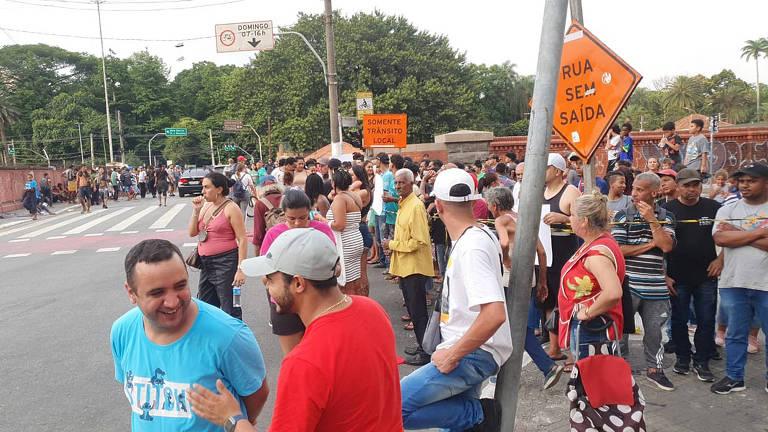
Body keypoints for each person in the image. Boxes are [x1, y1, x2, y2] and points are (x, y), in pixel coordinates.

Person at [191, 229, 403, 431]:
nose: (265, 284)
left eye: (272, 278)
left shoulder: (304, 361)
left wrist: (231, 418)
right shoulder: (372, 310)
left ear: (299, 283)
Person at [111, 239, 268, 431]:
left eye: (180, 286)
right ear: (131, 292)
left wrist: (235, 424)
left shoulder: (229, 336)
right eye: (157, 293)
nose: (172, 302)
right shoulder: (122, 331)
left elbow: (256, 395)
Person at [400, 168, 511, 431]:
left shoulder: (472, 246)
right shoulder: (476, 236)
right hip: (468, 348)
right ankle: (471, 417)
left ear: (437, 205)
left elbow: (494, 313)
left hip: (470, 353)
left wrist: (453, 354)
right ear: (474, 202)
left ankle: (477, 414)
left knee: (393, 405)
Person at [487, 186, 563, 389]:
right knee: (517, 325)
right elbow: (542, 251)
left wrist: (505, 259)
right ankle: (510, 369)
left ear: (495, 206)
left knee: (509, 326)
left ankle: (545, 366)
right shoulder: (522, 217)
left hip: (509, 279)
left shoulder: (501, 220)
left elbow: (503, 243)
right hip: (529, 276)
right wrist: (542, 281)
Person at [612, 172, 677, 391]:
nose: (634, 193)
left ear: (654, 193)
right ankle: (618, 373)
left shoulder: (666, 216)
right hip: (628, 285)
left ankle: (655, 370)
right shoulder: (622, 216)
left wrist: (651, 220)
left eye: (640, 189)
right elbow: (619, 251)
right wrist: (651, 245)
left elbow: (667, 246)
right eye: (634, 188)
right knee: (620, 334)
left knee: (655, 333)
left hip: (657, 288)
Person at [710, 163, 768, 395]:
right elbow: (721, 238)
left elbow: (730, 236)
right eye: (741, 181)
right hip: (734, 282)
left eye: (751, 180)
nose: (744, 185)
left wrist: (738, 233)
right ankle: (735, 377)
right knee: (735, 332)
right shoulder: (729, 208)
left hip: (765, 283)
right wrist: (759, 233)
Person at [662, 168, 722, 383]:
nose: (691, 189)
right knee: (679, 320)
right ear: (678, 186)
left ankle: (702, 360)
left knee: (706, 320)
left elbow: (727, 233)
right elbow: (658, 246)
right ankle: (683, 357)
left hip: (706, 275)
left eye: (695, 185)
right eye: (686, 185)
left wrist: (720, 259)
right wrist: (664, 274)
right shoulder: (666, 209)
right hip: (677, 277)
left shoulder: (714, 208)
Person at [259, 189, 335, 356]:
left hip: (318, 302)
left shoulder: (322, 231)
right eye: (291, 219)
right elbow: (265, 275)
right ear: (284, 214)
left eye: (303, 218)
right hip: (285, 301)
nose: (297, 224)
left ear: (310, 211)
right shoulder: (274, 234)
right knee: (294, 357)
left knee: (321, 354)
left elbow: (335, 268)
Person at [559, 191, 626, 360]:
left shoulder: (597, 254)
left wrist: (587, 313)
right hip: (592, 324)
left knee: (590, 379)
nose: (570, 219)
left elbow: (613, 293)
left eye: (572, 215)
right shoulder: (597, 241)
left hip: (593, 326)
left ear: (584, 221)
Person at [381, 168, 435, 366]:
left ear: (411, 183)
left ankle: (426, 351)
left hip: (415, 268)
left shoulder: (416, 206)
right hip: (405, 267)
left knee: (419, 313)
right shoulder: (404, 204)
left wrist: (392, 245)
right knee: (413, 311)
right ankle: (423, 346)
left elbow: (419, 242)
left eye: (401, 183)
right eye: (396, 183)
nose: (397, 186)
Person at [189, 172, 248, 320]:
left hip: (226, 263)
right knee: (206, 306)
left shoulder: (231, 208)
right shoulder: (206, 206)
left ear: (219, 189)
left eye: (207, 187)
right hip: (206, 263)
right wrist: (196, 211)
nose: (203, 191)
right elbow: (192, 232)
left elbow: (242, 239)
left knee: (230, 307)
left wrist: (240, 269)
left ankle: (236, 339)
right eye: (203, 187)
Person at [541, 153, 581, 360]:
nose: (541, 171)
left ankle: (574, 353)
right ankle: (554, 348)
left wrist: (563, 218)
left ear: (557, 171)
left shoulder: (570, 192)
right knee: (548, 302)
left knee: (569, 303)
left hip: (565, 257)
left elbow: (582, 224)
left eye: (545, 167)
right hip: (544, 258)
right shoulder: (540, 192)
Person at [326, 169, 366, 296]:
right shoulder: (355, 195)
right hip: (356, 238)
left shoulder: (340, 199)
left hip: (345, 242)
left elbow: (339, 225)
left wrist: (324, 221)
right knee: (354, 278)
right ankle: (358, 305)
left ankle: (350, 308)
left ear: (334, 183)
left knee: (345, 281)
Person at [350, 164, 373, 296]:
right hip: (357, 230)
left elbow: (345, 195)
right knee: (356, 272)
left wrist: (353, 185)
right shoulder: (360, 190)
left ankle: (365, 300)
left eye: (352, 175)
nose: (350, 178)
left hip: (362, 230)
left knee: (361, 272)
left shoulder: (364, 192)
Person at [376, 153, 398, 272]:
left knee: (389, 240)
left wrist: (389, 199)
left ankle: (391, 267)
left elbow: (391, 194)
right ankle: (389, 265)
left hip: (389, 212)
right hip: (383, 210)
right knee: (384, 239)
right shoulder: (383, 175)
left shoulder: (389, 175)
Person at [251, 175, 282, 256]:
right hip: (289, 243)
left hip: (270, 245)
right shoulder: (287, 198)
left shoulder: (260, 204)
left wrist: (257, 256)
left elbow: (258, 233)